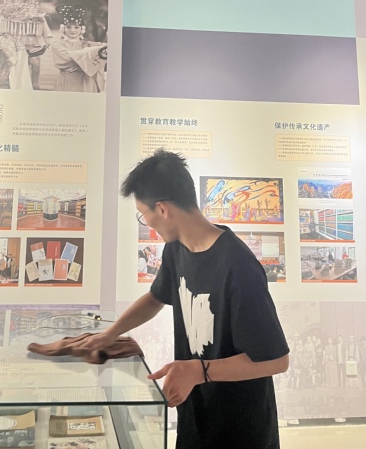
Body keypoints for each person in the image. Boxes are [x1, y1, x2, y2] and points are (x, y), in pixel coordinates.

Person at [78, 150, 289, 448]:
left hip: (241, 428)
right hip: (196, 415)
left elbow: (277, 360)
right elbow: (155, 297)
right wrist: (109, 335)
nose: (146, 222)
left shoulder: (238, 266)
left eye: (143, 214)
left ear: (162, 209)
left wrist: (200, 370)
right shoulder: (176, 249)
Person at [51, 4, 107, 92]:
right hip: (68, 80)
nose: (73, 30)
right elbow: (67, 60)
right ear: (63, 29)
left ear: (82, 29)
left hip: (87, 81)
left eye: (76, 27)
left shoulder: (87, 44)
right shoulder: (58, 45)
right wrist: (90, 55)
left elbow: (104, 48)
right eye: (68, 27)